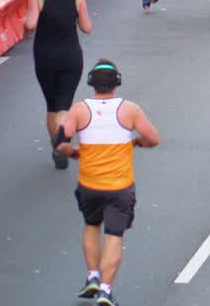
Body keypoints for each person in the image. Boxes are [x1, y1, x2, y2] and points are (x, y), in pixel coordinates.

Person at [57, 61, 160, 306]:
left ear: (92, 82)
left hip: (89, 185)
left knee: (91, 226)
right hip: (120, 187)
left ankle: (92, 275)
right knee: (114, 236)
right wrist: (136, 143)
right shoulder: (130, 110)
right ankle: (105, 290)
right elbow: (153, 138)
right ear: (117, 83)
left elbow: (61, 143)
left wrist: (73, 154)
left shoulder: (79, 110)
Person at [23, 0, 93, 169]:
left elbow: (31, 24)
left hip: (44, 58)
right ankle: (62, 143)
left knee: (51, 105)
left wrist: (25, 28)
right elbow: (87, 28)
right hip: (71, 57)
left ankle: (56, 147)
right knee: (64, 105)